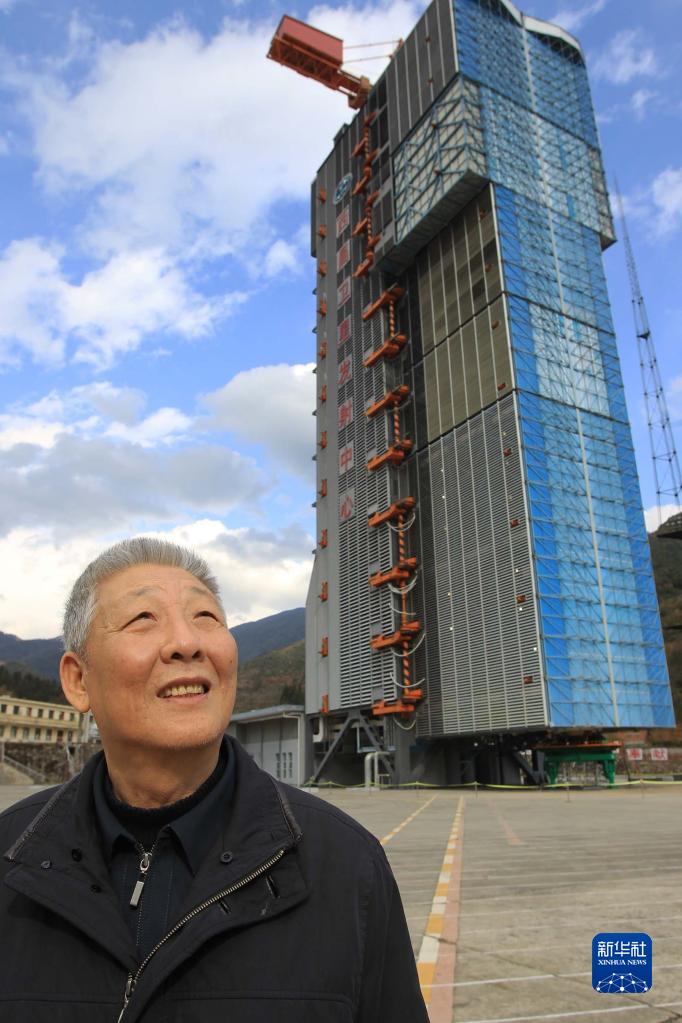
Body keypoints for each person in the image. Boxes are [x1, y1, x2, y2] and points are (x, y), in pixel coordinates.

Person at [0, 537, 428, 1023]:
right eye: (143, 618)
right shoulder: (12, 855)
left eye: (206, 616)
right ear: (78, 681)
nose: (187, 642)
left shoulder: (348, 865)